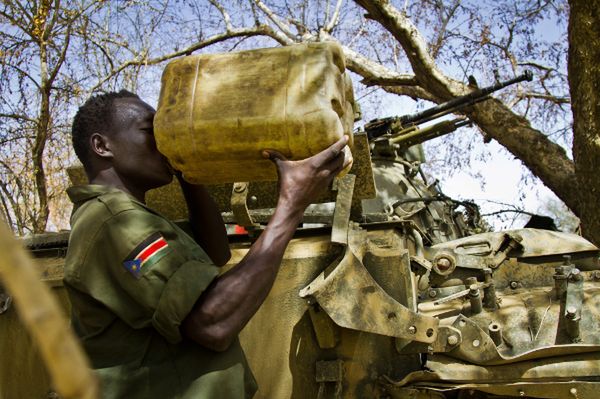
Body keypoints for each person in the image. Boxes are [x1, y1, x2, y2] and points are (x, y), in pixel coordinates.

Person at [64, 90, 351, 398]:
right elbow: (213, 323)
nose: (162, 142)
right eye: (151, 132)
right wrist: (292, 204)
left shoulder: (124, 216)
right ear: (102, 146)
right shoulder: (115, 222)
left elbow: (214, 250)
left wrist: (188, 169)